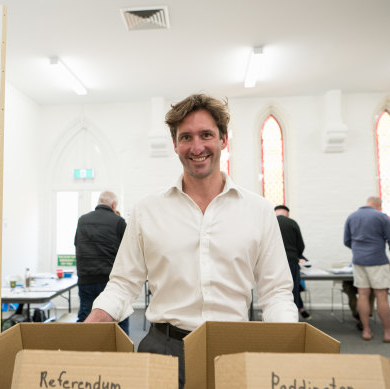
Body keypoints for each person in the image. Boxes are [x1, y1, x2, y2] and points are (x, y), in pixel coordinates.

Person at [85, 93, 297, 388]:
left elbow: (275, 292)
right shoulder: (148, 211)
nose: (197, 147)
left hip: (233, 348)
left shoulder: (258, 210)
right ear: (175, 144)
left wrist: (290, 344)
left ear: (223, 140)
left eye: (206, 135)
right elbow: (123, 283)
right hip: (163, 349)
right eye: (186, 137)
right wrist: (94, 321)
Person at [344, 196, 390, 343]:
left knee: (362, 295)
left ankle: (366, 331)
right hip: (377, 260)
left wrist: (359, 250)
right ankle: (388, 334)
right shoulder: (381, 216)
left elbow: (346, 240)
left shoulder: (352, 217)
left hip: (358, 261)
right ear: (378, 205)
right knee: (381, 296)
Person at [74, 191, 129, 334]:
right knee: (118, 319)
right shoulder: (119, 221)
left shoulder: (82, 220)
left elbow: (77, 244)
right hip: (110, 281)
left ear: (98, 202)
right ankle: (122, 354)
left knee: (86, 319)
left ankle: (79, 353)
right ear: (114, 204)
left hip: (85, 279)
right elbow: (128, 251)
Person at [274, 205, 311, 320]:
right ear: (287, 214)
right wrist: (296, 256)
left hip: (272, 263)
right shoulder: (292, 223)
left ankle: (274, 318)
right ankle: (292, 320)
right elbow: (301, 245)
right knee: (292, 291)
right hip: (290, 262)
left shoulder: (269, 222)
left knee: (274, 292)